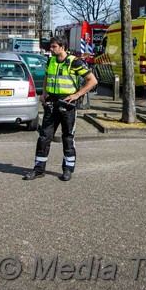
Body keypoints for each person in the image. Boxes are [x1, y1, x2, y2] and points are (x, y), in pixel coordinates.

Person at [23, 36, 97, 182]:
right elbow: (46, 77)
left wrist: (77, 95)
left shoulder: (75, 62)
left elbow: (92, 81)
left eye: (53, 47)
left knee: (67, 138)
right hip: (51, 104)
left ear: (62, 47)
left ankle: (68, 170)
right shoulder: (50, 61)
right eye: (50, 47)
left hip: (67, 105)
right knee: (44, 137)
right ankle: (39, 169)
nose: (50, 50)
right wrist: (43, 93)